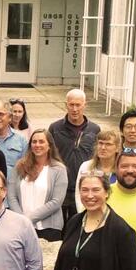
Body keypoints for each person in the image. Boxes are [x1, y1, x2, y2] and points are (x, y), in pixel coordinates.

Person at [48, 89, 100, 224]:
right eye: (71, 105)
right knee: (58, 229)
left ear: (85, 105)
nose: (75, 109)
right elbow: (48, 156)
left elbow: (98, 158)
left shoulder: (94, 130)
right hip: (59, 188)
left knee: (79, 226)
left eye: (78, 105)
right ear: (66, 105)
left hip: (83, 188)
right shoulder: (55, 128)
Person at [8, 129, 68, 241]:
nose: (37, 145)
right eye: (34, 142)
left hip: (49, 229)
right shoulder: (20, 166)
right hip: (20, 227)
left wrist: (28, 219)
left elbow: (56, 201)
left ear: (49, 145)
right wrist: (21, 220)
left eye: (41, 141)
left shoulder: (59, 169)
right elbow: (11, 196)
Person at [73, 129, 121, 212]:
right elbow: (79, 193)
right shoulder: (86, 166)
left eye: (108, 144)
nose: (103, 147)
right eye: (100, 143)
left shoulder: (121, 169)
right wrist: (83, 214)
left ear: (117, 148)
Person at [0, 98, 27, 189]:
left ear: (10, 117)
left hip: (13, 193)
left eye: (1, 114)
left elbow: (27, 170)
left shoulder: (21, 140)